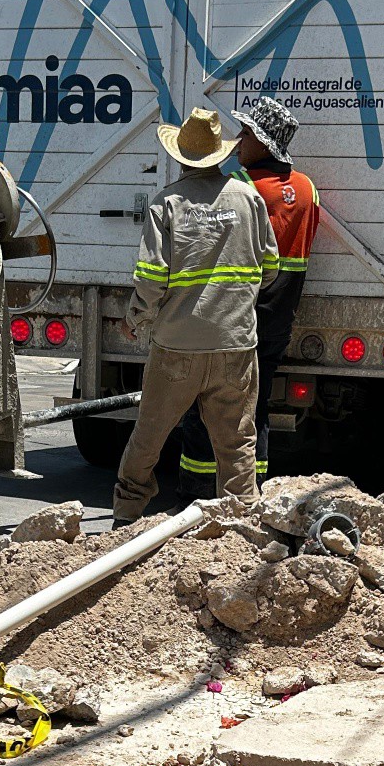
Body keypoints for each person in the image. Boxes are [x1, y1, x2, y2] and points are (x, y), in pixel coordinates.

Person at [112, 106, 279, 525]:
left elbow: (151, 280)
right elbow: (271, 266)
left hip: (177, 348)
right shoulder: (248, 199)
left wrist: (135, 320)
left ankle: (124, 517)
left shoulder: (166, 203)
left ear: (181, 154)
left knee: (149, 437)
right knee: (237, 443)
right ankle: (242, 530)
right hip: (236, 345)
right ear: (220, 155)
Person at [178, 97, 320, 497]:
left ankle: (197, 489)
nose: (238, 140)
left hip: (239, 315)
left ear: (264, 141)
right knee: (256, 406)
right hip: (280, 316)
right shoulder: (308, 189)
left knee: (206, 402)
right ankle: (252, 489)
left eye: (247, 132)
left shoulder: (241, 188)